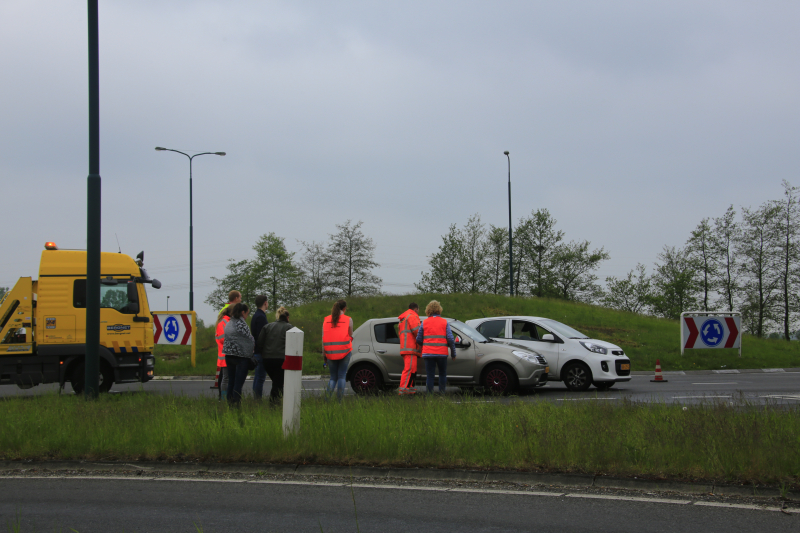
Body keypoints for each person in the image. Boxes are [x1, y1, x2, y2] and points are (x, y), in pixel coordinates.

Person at [415, 300, 456, 394]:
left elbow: (418, 339)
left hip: (428, 353)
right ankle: (442, 394)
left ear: (428, 310)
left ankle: (430, 396)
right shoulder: (444, 322)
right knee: (442, 374)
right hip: (442, 353)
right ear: (439, 310)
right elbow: (450, 339)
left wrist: (425, 345)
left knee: (430, 376)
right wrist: (453, 353)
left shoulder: (424, 323)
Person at [255, 306, 293, 403]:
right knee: (278, 383)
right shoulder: (289, 327)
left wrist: (264, 354)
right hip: (281, 359)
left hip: (267, 360)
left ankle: (276, 401)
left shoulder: (267, 326)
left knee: (276, 381)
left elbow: (259, 342)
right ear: (287, 318)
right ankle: (274, 403)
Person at [223, 303, 254, 406]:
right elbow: (249, 340)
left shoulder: (229, 323)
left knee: (231, 382)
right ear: (242, 312)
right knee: (238, 384)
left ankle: (230, 404)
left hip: (228, 356)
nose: (247, 316)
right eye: (247, 313)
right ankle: (236, 405)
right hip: (241, 357)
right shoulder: (241, 324)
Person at [322, 299, 352, 400]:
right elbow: (350, 335)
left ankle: (327, 399)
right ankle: (339, 400)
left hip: (330, 353)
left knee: (333, 378)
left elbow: (324, 339)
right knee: (341, 376)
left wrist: (324, 355)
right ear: (344, 308)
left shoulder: (326, 320)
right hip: (345, 352)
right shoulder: (348, 319)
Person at [398, 302, 421, 395]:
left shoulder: (404, 318)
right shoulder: (412, 316)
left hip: (407, 347)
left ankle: (410, 388)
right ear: (416, 309)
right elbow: (417, 331)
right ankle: (403, 389)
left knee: (412, 369)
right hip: (410, 348)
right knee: (409, 369)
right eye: (418, 311)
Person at [250, 295, 269, 399]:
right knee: (260, 377)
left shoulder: (255, 315)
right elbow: (262, 335)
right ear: (265, 303)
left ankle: (255, 398)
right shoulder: (261, 317)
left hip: (256, 350)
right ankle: (257, 398)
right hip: (260, 351)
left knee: (257, 376)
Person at [214, 306, 232, 400]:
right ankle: (224, 398)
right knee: (225, 378)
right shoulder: (224, 323)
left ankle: (226, 397)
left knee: (227, 378)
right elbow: (222, 339)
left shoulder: (227, 322)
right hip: (225, 355)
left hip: (226, 354)